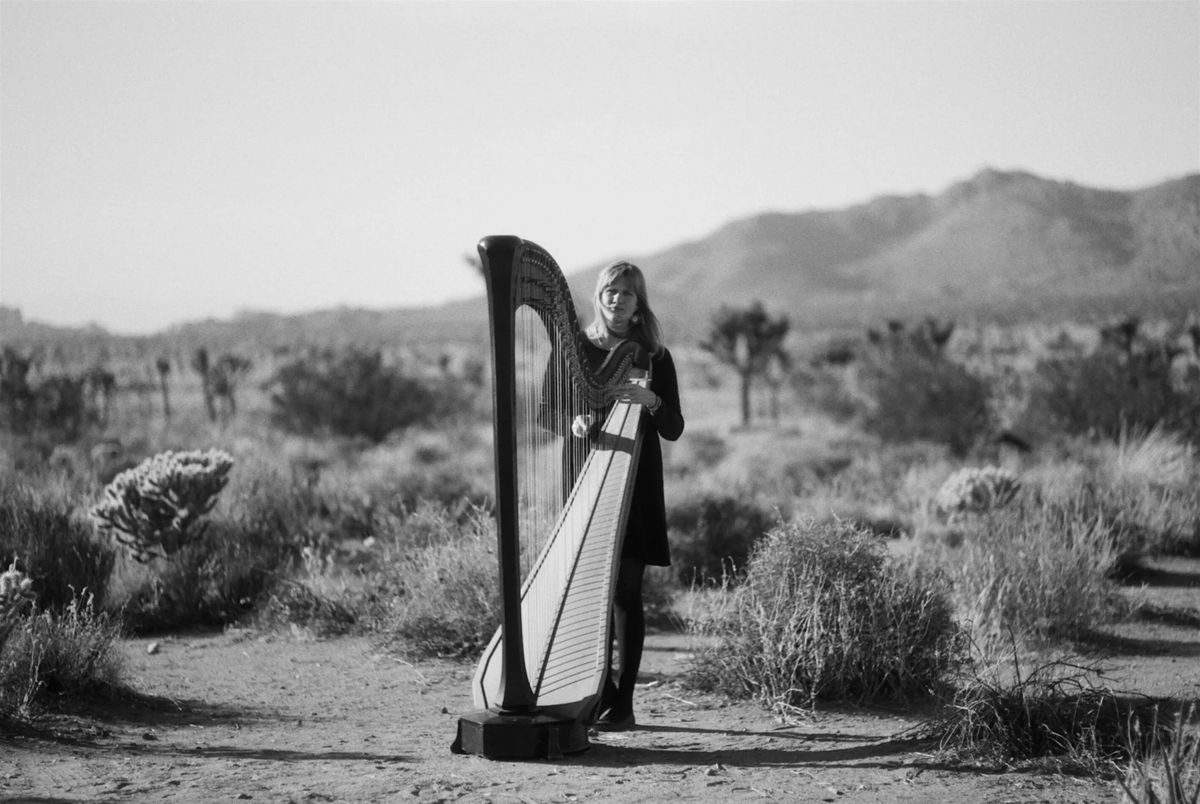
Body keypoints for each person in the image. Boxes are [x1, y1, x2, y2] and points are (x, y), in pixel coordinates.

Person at [566, 260, 685, 730]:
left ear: (640, 303)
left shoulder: (655, 356)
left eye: (627, 294)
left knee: (626, 592)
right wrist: (570, 423)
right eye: (611, 292)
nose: (618, 300)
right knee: (587, 590)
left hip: (635, 481)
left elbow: (674, 428)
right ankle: (596, 692)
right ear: (599, 296)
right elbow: (545, 410)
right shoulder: (577, 348)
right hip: (584, 475)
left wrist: (651, 401)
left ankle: (624, 702)